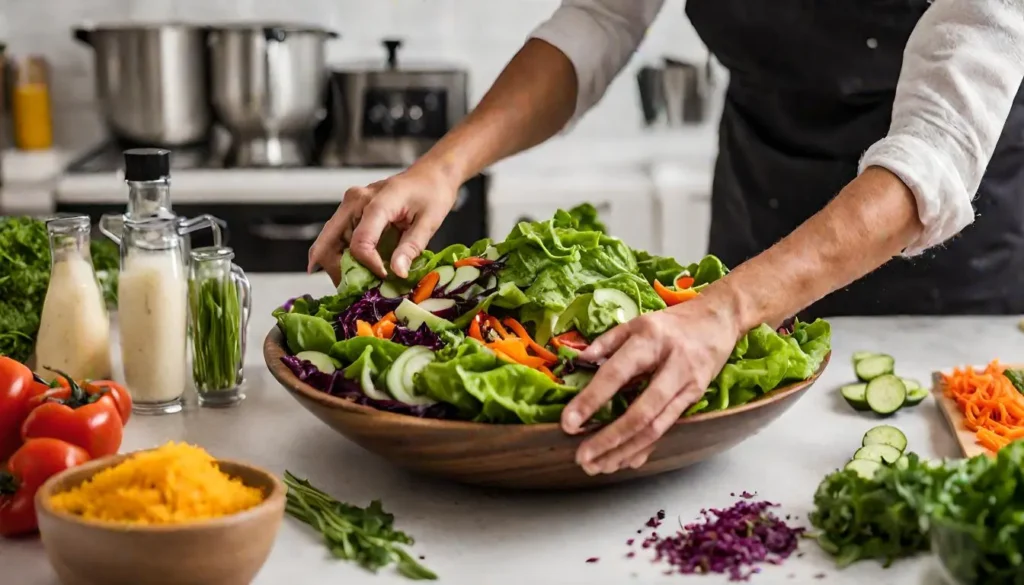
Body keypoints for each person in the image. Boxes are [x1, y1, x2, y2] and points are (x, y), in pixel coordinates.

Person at [308, 0, 1024, 476]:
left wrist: (725, 309)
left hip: (943, 245)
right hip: (765, 177)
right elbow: (601, 17)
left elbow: (933, 150)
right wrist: (445, 165)